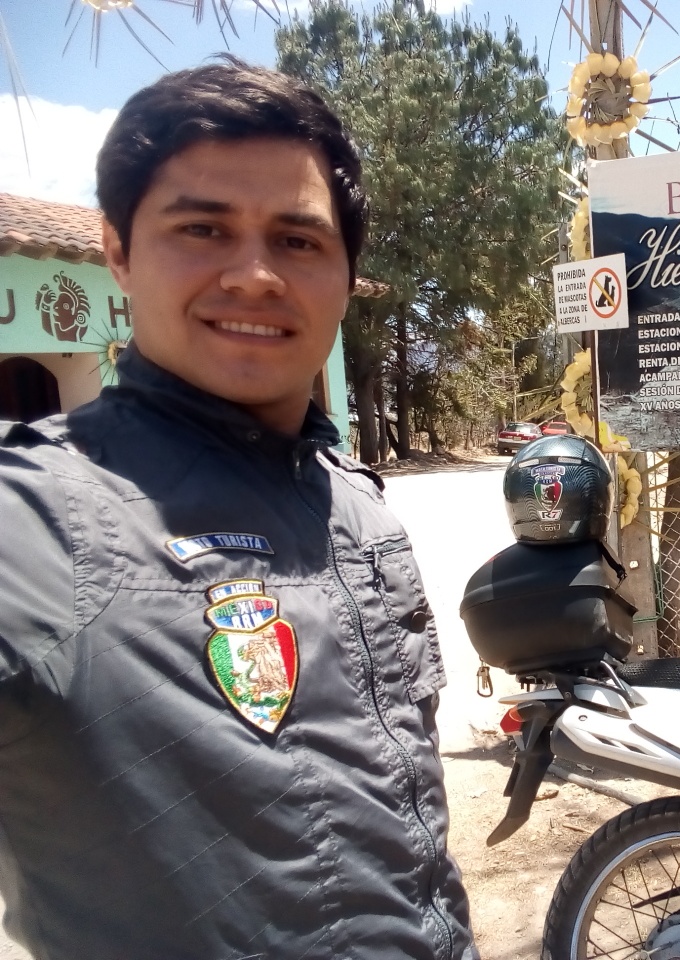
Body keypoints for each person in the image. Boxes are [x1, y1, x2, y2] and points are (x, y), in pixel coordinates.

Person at [0, 58, 476, 960]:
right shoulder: (44, 514)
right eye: (203, 229)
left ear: (343, 273)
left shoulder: (356, 506)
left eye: (298, 241)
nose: (256, 275)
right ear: (118, 251)